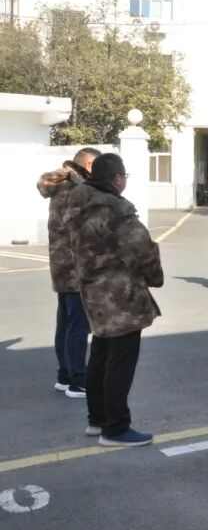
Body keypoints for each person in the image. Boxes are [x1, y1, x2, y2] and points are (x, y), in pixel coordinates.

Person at [65, 153, 163, 447]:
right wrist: (155, 276)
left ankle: (97, 419)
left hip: (93, 291)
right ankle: (116, 428)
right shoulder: (116, 209)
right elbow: (142, 249)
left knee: (100, 355)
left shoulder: (78, 204)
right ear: (117, 178)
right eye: (124, 176)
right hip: (121, 295)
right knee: (120, 361)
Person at [37, 146, 101, 398]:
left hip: (62, 267)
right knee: (78, 327)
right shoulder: (78, 189)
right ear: (88, 165)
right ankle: (78, 380)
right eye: (98, 166)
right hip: (77, 268)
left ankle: (64, 376)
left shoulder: (61, 186)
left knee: (65, 324)